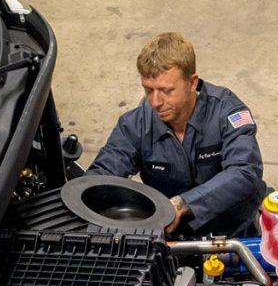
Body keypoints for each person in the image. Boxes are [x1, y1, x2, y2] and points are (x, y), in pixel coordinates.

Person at [87, 32, 267, 237]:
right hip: (176, 237)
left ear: (192, 83)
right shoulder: (135, 126)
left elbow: (245, 172)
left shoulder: (227, 112)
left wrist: (182, 205)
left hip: (238, 231)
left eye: (166, 91)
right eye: (149, 90)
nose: (155, 102)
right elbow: (101, 176)